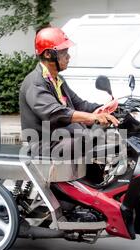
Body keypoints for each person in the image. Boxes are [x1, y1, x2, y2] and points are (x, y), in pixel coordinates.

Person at [19, 27, 119, 160]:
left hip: (63, 135)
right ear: (48, 54)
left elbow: (79, 104)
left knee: (104, 138)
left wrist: (107, 109)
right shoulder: (35, 82)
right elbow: (55, 113)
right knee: (85, 142)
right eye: (63, 52)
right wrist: (91, 117)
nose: (68, 56)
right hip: (44, 143)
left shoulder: (57, 79)